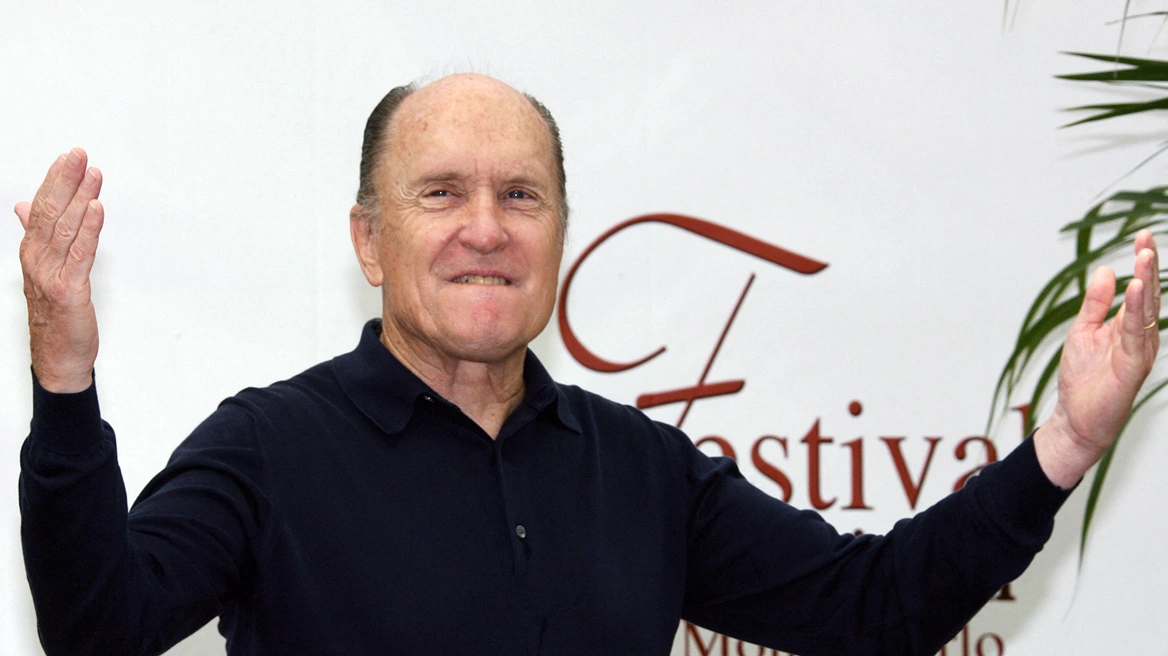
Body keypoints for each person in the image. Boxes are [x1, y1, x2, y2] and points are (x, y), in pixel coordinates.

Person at [16, 74, 1161, 656]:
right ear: (369, 239)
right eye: (440, 192)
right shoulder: (268, 448)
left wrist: (1064, 443)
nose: (485, 228)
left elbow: (874, 606)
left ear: (560, 234)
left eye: (520, 195)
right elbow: (98, 628)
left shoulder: (640, 467)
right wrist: (66, 385)